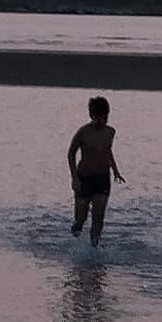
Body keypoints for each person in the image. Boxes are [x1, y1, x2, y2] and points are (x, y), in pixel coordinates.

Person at [67, 95, 125, 246]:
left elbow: (107, 151)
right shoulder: (83, 132)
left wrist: (116, 171)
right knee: (81, 217)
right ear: (91, 116)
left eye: (105, 118)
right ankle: (78, 225)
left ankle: (94, 248)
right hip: (84, 177)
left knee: (98, 216)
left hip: (102, 177)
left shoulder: (110, 132)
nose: (102, 121)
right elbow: (71, 153)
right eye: (98, 118)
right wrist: (74, 178)